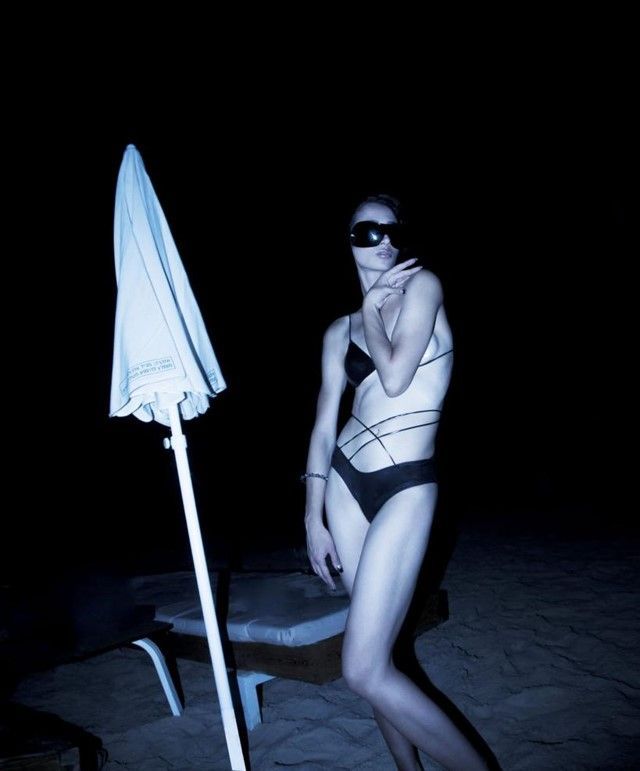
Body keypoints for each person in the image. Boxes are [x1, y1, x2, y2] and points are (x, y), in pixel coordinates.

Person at [303, 194, 491, 770]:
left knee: (361, 666)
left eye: (392, 230)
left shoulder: (423, 288)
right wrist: (313, 515)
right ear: (350, 239)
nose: (383, 240)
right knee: (376, 659)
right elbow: (323, 421)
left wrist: (374, 306)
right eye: (368, 231)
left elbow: (393, 375)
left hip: (407, 482)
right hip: (344, 485)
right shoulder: (339, 330)